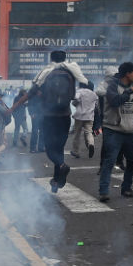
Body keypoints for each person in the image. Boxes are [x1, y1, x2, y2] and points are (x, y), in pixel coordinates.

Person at [27, 50, 88, 192]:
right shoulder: (72, 73)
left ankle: (62, 166)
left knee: (49, 148)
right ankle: (57, 181)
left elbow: (32, 91)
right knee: (59, 148)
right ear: (65, 58)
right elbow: (82, 87)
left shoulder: (46, 72)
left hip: (49, 117)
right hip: (65, 116)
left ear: (51, 59)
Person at [98, 62, 133, 202]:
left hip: (128, 131)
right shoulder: (112, 86)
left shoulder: (131, 89)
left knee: (132, 160)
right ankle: (104, 191)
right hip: (113, 130)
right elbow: (115, 101)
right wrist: (129, 92)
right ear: (127, 74)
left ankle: (127, 188)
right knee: (109, 161)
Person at [70, 81, 98, 159]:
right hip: (89, 116)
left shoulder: (80, 91)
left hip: (79, 116)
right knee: (89, 132)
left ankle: (76, 151)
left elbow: (75, 100)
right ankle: (91, 144)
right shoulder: (94, 94)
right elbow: (96, 104)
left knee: (77, 134)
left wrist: (75, 103)